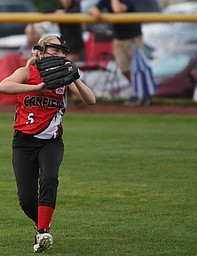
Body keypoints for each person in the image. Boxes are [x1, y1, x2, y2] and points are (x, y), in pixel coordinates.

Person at [0, 35, 96, 253]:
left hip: (51, 141)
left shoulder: (64, 78)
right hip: (23, 143)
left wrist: (75, 77)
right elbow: (4, 85)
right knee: (26, 199)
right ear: (40, 53)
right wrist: (37, 88)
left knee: (50, 178)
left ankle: (43, 231)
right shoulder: (28, 72)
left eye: (62, 52)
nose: (59, 56)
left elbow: (90, 100)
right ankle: (42, 224)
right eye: (54, 52)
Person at [88, 0, 147, 105]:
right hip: (119, 39)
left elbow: (118, 10)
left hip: (133, 38)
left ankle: (140, 94)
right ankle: (137, 91)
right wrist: (96, 12)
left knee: (136, 69)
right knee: (124, 68)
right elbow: (92, 9)